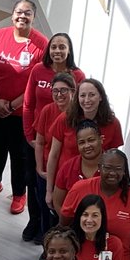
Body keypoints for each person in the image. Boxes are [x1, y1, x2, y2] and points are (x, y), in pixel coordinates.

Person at [0, 0, 47, 214]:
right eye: (19, 12)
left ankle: (19, 193)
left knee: (19, 153)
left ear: (34, 18)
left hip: (22, 112)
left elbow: (37, 82)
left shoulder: (41, 45)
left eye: (27, 13)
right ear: (12, 15)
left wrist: (14, 104)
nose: (22, 16)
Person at [45, 78, 124, 211]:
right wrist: (49, 190)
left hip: (98, 188)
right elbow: (53, 155)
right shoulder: (65, 119)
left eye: (92, 95)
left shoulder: (113, 123)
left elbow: (113, 161)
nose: (87, 100)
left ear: (100, 97)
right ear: (77, 98)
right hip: (65, 184)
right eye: (82, 95)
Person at [23, 72, 77, 242]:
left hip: (68, 175)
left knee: (63, 212)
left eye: (63, 91)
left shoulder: (77, 115)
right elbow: (39, 143)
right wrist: (39, 168)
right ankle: (47, 245)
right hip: (47, 171)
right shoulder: (47, 110)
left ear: (73, 92)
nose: (59, 95)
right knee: (45, 208)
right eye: (55, 91)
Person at [50, 119, 104, 217]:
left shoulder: (111, 168)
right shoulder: (67, 168)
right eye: (82, 142)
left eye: (91, 140)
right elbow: (58, 203)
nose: (87, 146)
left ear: (101, 139)